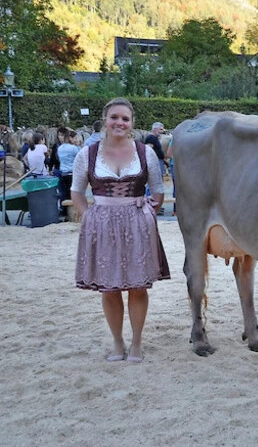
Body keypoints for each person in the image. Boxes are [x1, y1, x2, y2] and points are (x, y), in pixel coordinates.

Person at [71, 97, 170, 363]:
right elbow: (76, 191)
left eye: (125, 119)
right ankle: (118, 342)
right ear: (105, 120)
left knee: (138, 287)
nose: (119, 122)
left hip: (137, 225)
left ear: (131, 123)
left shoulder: (145, 152)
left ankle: (136, 343)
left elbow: (158, 191)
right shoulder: (87, 154)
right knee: (109, 288)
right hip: (101, 227)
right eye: (114, 117)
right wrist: (89, 215)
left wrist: (147, 214)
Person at [56, 131, 82, 217]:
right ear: (70, 138)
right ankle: (75, 213)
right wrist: (78, 145)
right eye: (74, 138)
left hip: (63, 173)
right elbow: (81, 156)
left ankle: (65, 212)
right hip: (73, 173)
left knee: (65, 194)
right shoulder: (73, 148)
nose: (75, 140)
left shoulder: (60, 148)